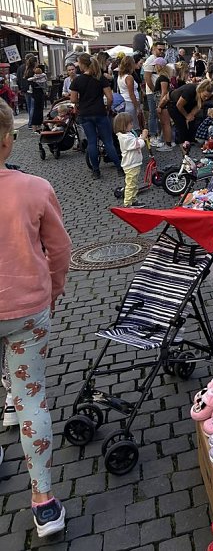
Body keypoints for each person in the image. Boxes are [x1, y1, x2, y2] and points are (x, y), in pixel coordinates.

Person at [0, 98, 71, 538]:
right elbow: (59, 251)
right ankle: (43, 501)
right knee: (32, 400)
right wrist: (56, 289)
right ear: (9, 140)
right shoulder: (36, 188)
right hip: (28, 308)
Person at [70, 53, 123, 180]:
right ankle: (119, 168)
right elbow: (110, 98)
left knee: (92, 142)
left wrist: (80, 102)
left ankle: (96, 171)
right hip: (100, 112)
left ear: (83, 65)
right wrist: (108, 108)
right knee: (108, 141)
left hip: (85, 114)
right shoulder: (100, 78)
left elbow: (73, 99)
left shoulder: (77, 80)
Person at [113, 112, 148, 207]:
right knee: (130, 185)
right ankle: (127, 203)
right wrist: (143, 138)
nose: (132, 125)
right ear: (124, 125)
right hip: (131, 165)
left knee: (134, 184)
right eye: (130, 123)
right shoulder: (125, 138)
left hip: (134, 164)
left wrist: (140, 137)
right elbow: (138, 144)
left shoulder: (127, 135)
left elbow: (136, 141)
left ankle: (133, 200)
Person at [167, 78, 213, 144]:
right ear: (200, 90)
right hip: (174, 104)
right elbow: (179, 105)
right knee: (182, 127)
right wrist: (186, 116)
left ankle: (190, 140)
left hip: (188, 105)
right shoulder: (190, 90)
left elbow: (198, 106)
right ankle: (180, 142)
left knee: (192, 121)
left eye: (208, 97)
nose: (206, 98)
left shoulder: (205, 96)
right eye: (205, 96)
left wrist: (191, 115)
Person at [143, 41, 166, 147]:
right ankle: (152, 136)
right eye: (159, 49)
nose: (162, 51)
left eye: (163, 49)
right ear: (154, 49)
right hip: (152, 92)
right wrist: (154, 91)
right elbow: (147, 78)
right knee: (153, 114)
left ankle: (159, 136)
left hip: (158, 91)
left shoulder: (160, 59)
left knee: (159, 114)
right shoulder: (150, 60)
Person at [152, 60, 175, 150]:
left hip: (163, 104)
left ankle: (168, 144)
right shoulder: (164, 77)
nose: (155, 67)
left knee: (165, 124)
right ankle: (168, 142)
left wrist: (160, 105)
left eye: (156, 65)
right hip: (162, 103)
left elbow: (164, 92)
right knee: (165, 124)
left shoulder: (162, 77)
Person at [117, 55, 141, 126]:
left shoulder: (120, 76)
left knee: (126, 124)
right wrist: (137, 106)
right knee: (133, 124)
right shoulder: (129, 77)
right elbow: (131, 94)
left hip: (124, 100)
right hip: (130, 102)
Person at [28, 65, 48, 132]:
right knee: (40, 110)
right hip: (41, 94)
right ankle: (39, 125)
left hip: (35, 95)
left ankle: (34, 126)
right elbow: (46, 86)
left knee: (35, 110)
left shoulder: (32, 79)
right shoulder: (44, 77)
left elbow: (30, 86)